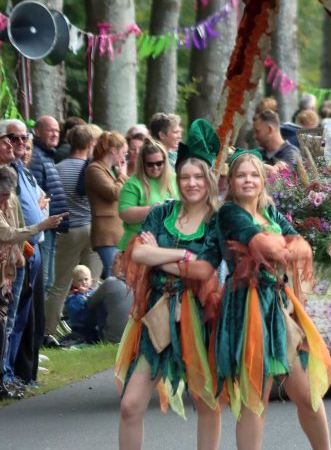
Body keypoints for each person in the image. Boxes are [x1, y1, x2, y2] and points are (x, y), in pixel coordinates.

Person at [215, 150, 331, 450]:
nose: (248, 180)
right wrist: (281, 247)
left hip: (278, 306)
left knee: (307, 394)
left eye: (254, 175)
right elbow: (265, 245)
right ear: (231, 181)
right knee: (256, 397)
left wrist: (282, 247)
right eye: (241, 175)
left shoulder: (269, 212)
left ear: (262, 180)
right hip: (247, 306)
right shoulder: (229, 212)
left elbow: (301, 246)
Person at [116, 119, 223, 450]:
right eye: (185, 177)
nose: (191, 183)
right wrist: (182, 255)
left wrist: (158, 257)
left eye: (198, 177)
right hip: (157, 313)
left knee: (205, 401)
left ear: (209, 179)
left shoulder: (217, 220)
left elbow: (204, 270)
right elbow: (138, 252)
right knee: (130, 405)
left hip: (199, 316)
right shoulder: (162, 213)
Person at [0, 163, 65, 400]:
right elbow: (8, 233)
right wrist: (41, 225)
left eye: (8, 194)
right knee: (5, 325)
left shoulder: (12, 200)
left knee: (11, 323)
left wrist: (21, 259)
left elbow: (16, 231)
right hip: (7, 269)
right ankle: (5, 376)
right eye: (2, 195)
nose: (5, 199)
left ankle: (7, 375)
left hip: (13, 267)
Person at [4, 118, 51, 378]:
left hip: (32, 248)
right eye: (14, 138)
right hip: (18, 250)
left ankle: (15, 374)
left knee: (23, 318)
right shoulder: (8, 172)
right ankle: (8, 374)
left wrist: (42, 208)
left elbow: (42, 201)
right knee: (12, 318)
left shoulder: (24, 170)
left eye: (25, 137)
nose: (21, 142)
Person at [45, 123, 101, 343]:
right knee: (91, 283)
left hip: (68, 231)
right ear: (90, 144)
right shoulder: (94, 169)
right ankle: (90, 330)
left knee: (60, 284)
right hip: (92, 229)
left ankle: (47, 331)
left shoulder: (58, 168)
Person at [29, 115, 69, 291]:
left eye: (57, 131)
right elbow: (36, 195)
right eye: (50, 130)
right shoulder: (36, 157)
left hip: (51, 225)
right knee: (43, 279)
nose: (55, 134)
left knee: (48, 280)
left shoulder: (46, 154)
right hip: (43, 226)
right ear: (37, 132)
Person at [117, 138, 177, 251]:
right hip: (137, 245)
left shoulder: (175, 179)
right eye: (150, 164)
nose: (155, 167)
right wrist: (152, 210)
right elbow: (124, 213)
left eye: (159, 163)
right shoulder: (133, 183)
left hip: (168, 245)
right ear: (143, 164)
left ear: (165, 161)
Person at [85, 131, 127, 279]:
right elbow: (114, 193)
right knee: (114, 276)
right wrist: (122, 176)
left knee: (118, 275)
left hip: (117, 233)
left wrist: (121, 176)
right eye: (123, 153)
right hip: (106, 235)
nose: (124, 158)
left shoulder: (111, 170)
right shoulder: (95, 169)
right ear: (113, 150)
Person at [85, 256, 132, 344]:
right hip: (134, 338)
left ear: (122, 267)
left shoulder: (110, 282)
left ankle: (85, 331)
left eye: (114, 263)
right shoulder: (139, 283)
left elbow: (90, 303)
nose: (111, 267)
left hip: (111, 339)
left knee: (99, 303)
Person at [252, 107, 301, 173]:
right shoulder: (259, 153)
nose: (254, 136)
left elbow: (281, 174)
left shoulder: (292, 153)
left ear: (269, 129)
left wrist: (252, 165)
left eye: (257, 131)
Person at [64, 264, 98, 343]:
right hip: (79, 327)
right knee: (81, 337)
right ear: (74, 283)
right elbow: (74, 309)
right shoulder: (72, 296)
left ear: (91, 280)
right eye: (80, 280)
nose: (84, 282)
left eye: (86, 279)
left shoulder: (94, 293)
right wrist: (81, 295)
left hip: (94, 325)